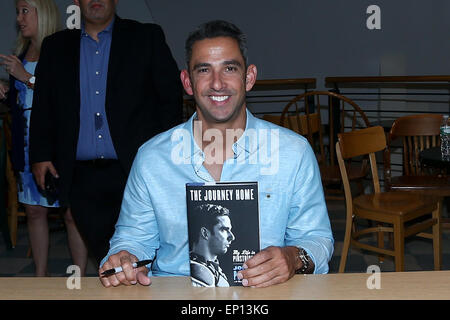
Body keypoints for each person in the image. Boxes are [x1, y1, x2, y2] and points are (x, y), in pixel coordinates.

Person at [99, 20, 333, 288]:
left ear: (249, 77)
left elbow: (317, 238)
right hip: (175, 292)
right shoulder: (152, 158)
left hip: (265, 295)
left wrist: (292, 258)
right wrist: (125, 257)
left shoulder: (293, 152)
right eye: (204, 70)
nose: (217, 83)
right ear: (187, 82)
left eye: (230, 68)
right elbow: (133, 236)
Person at [29, 0, 183, 264]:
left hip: (137, 171)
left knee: (146, 251)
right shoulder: (56, 46)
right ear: (76, 2)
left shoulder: (146, 37)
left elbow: (170, 100)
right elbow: (43, 106)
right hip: (81, 175)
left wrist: (166, 155)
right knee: (103, 253)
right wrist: (40, 155)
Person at [0, 0, 87, 276]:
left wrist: (25, 77)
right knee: (34, 211)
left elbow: (65, 94)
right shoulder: (22, 51)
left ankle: (80, 276)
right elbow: (22, 99)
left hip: (58, 143)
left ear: (43, 13)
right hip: (27, 143)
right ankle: (40, 276)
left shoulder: (64, 48)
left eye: (25, 11)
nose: (19, 18)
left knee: (71, 214)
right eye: (17, 12)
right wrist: (6, 87)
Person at [188, 204, 235, 287]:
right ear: (205, 233)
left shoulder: (218, 273)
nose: (232, 237)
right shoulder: (190, 271)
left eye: (230, 230)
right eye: (224, 229)